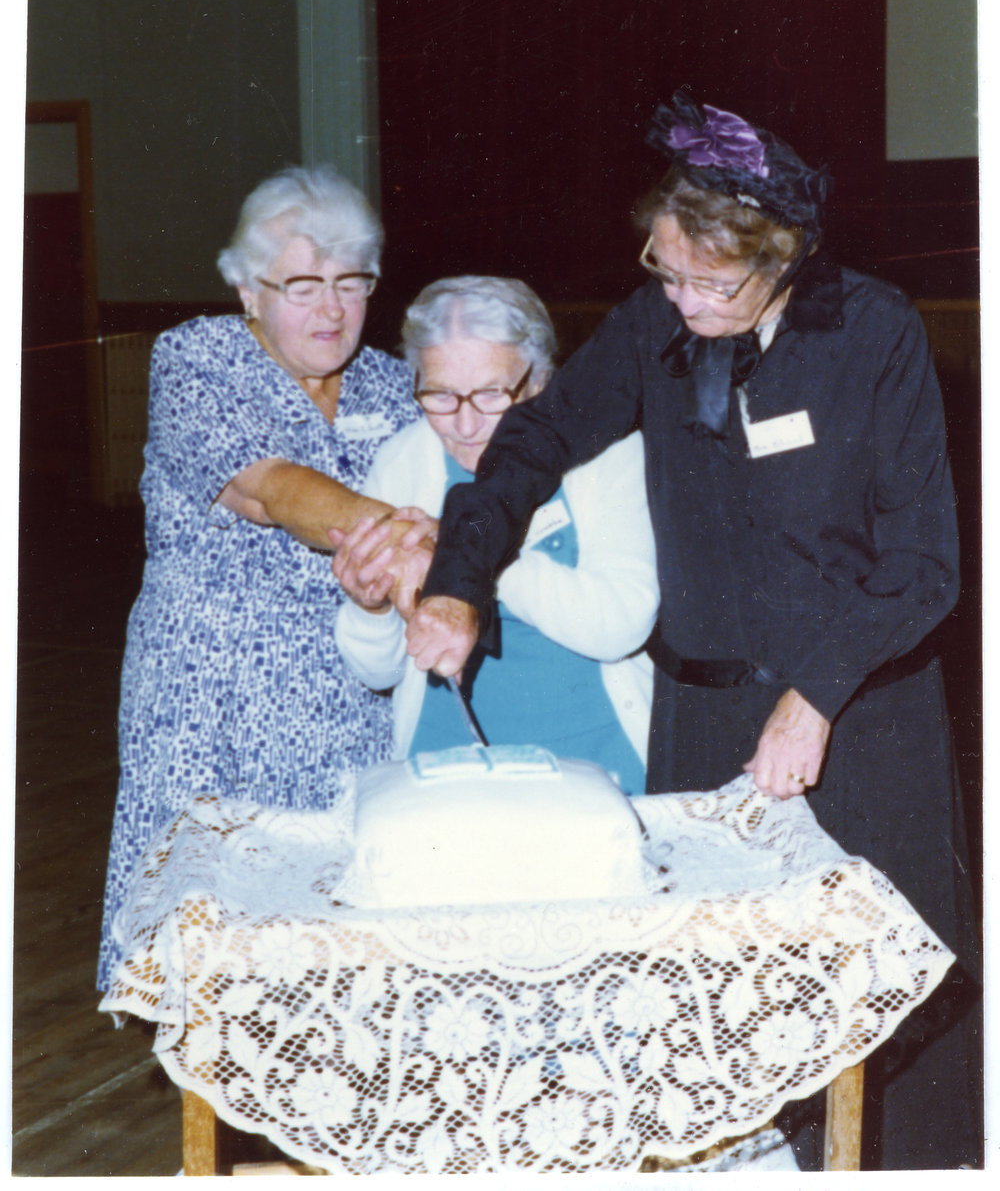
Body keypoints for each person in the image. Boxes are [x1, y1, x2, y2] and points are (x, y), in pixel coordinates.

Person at [399, 93, 981, 1170]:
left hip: (855, 721)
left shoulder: (873, 332)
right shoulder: (652, 325)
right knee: (723, 1017)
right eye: (667, 272)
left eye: (713, 282)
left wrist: (813, 695)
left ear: (786, 257)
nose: (685, 301)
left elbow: (923, 566)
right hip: (705, 721)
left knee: (882, 1027)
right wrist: (457, 578)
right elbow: (532, 440)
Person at [97, 164, 431, 992]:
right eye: (303, 285)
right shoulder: (196, 359)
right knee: (214, 947)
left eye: (352, 282)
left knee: (339, 946)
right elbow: (271, 489)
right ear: (248, 290)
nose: (332, 308)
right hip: (214, 691)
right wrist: (408, 540)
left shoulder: (396, 384)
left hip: (352, 688)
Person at [332, 276, 656, 793]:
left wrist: (470, 558)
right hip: (443, 764)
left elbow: (620, 625)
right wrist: (369, 609)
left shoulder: (606, 456)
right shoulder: (403, 461)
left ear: (542, 381)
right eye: (438, 394)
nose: (464, 424)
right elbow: (378, 673)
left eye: (490, 394)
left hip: (598, 760)